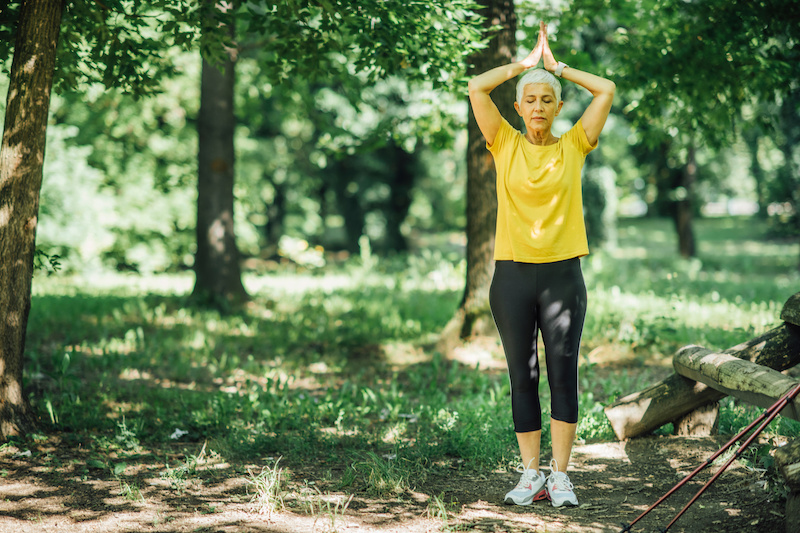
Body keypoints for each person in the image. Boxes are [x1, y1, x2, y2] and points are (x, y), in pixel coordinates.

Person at [467, 21, 615, 508]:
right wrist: (524, 65)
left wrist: (558, 69)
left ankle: (561, 475)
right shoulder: (504, 143)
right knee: (521, 374)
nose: (536, 108)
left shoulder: (575, 144)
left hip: (562, 277)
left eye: (546, 100)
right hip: (511, 276)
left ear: (558, 107)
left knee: (563, 371)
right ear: (518, 106)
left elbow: (607, 88)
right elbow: (475, 86)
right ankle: (530, 474)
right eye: (529, 99)